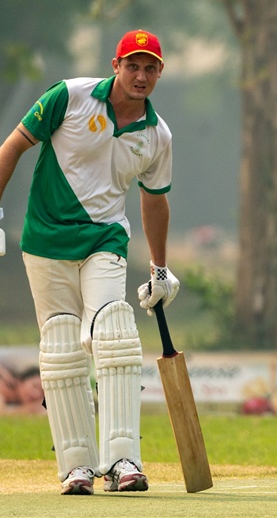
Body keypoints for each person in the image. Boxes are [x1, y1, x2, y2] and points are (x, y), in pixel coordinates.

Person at [0, 29, 181, 495]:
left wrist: (159, 268)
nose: (141, 76)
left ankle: (123, 460)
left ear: (159, 73)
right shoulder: (69, 96)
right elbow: (13, 147)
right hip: (45, 242)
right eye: (133, 65)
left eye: (150, 68)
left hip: (104, 240)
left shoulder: (157, 135)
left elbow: (154, 200)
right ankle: (76, 467)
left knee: (115, 333)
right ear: (116, 65)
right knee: (61, 347)